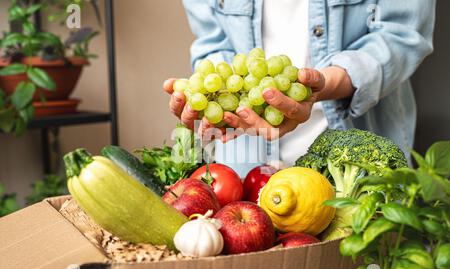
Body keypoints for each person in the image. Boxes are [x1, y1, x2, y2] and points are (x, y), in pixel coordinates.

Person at [164, 0, 435, 176]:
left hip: (359, 165)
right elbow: (213, 41)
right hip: (244, 167)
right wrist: (219, 102)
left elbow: (402, 34)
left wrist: (326, 84)